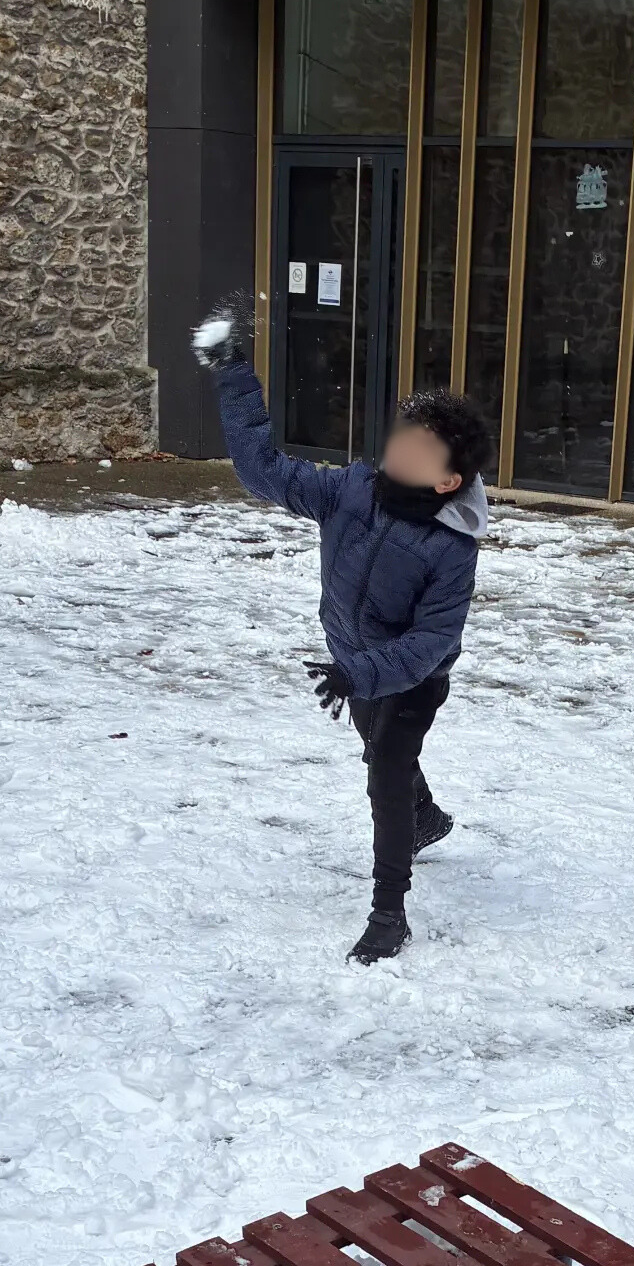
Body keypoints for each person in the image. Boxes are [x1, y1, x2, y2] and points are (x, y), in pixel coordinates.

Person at [195, 315, 490, 964]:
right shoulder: (351, 491)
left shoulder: (451, 548)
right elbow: (263, 471)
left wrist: (361, 674)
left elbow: (432, 640)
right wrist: (234, 373)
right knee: (379, 749)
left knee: (385, 771)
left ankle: (389, 913)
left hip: (414, 678)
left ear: (447, 480)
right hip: (351, 661)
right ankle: (426, 818)